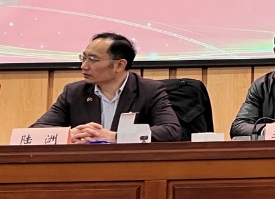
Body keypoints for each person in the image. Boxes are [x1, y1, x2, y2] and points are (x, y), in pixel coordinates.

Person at [32, 32, 181, 142]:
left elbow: (171, 131)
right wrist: (69, 135)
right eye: (83, 58)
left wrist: (116, 137)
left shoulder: (149, 91)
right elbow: (36, 130)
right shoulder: (74, 92)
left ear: (119, 65)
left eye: (93, 59)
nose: (84, 66)